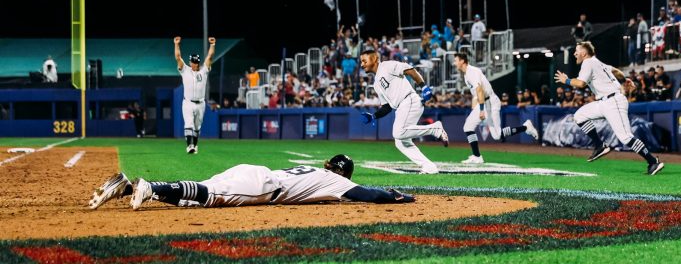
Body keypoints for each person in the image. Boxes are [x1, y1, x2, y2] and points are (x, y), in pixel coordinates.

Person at [88, 154, 414, 211]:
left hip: (254, 173)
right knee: (210, 195)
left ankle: (127, 187)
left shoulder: (315, 171)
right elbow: (368, 195)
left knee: (196, 195)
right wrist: (395, 197)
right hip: (263, 186)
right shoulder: (334, 181)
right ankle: (150, 187)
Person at [554, 41, 665, 175]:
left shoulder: (588, 62)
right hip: (604, 102)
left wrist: (566, 80)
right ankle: (599, 145)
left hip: (613, 102)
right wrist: (625, 79)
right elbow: (615, 71)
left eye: (577, 51)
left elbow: (581, 83)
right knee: (579, 116)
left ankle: (653, 161)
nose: (574, 53)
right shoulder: (597, 62)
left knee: (625, 137)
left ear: (584, 53)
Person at [358, 48, 449, 174]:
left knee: (398, 132)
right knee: (400, 142)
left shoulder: (387, 66)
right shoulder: (376, 84)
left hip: (409, 100)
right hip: (401, 107)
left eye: (364, 60)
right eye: (361, 62)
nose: (362, 64)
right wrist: (373, 116)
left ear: (374, 59)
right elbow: (387, 107)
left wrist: (423, 86)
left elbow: (410, 70)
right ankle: (429, 167)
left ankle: (435, 129)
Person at [454, 52, 538, 163]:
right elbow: (477, 93)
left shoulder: (471, 71)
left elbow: (480, 90)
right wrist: (477, 104)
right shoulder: (466, 74)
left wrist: (482, 109)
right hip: (485, 102)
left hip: (490, 103)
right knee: (471, 128)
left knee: (494, 134)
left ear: (462, 61)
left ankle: (526, 127)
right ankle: (477, 156)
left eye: (456, 60)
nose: (454, 63)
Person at [174, 36, 216, 154]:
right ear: (190, 62)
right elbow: (178, 57)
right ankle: (189, 146)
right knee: (189, 123)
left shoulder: (204, 71)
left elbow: (210, 57)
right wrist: (176, 44)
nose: (195, 64)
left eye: (196, 62)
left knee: (197, 127)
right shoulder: (185, 70)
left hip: (201, 103)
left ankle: (195, 145)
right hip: (188, 102)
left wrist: (212, 45)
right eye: (193, 62)